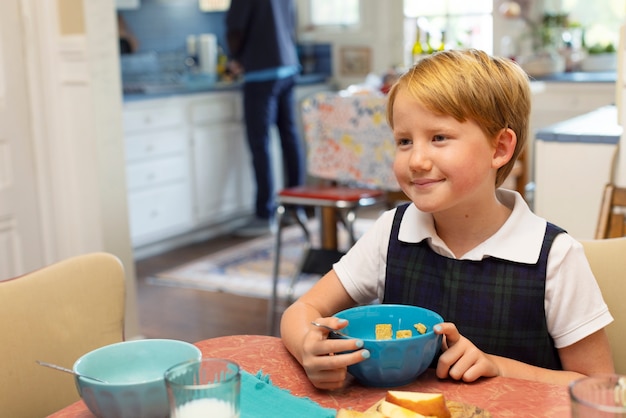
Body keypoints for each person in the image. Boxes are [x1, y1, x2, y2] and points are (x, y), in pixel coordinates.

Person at [280, 49, 615, 390]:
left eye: (439, 138)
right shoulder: (390, 233)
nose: (417, 160)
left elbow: (600, 388)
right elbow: (302, 309)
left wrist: (497, 367)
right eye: (404, 141)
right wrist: (310, 348)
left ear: (499, 148)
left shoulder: (555, 259)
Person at [225, 0, 305, 236]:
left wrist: (235, 59)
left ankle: (264, 214)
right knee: (289, 138)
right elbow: (291, 23)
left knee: (260, 144)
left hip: (261, 71)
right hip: (288, 65)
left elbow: (235, 29)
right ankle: (295, 209)